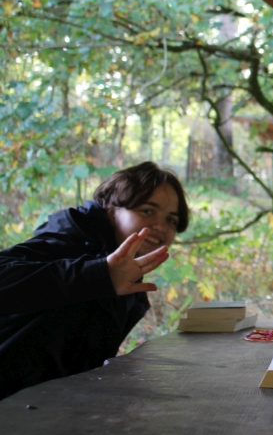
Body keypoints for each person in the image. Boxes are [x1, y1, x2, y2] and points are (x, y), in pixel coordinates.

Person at [0, 162, 190, 400]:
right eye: (147, 211)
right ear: (111, 210)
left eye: (171, 220)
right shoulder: (71, 240)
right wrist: (99, 275)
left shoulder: (129, 281)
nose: (160, 226)